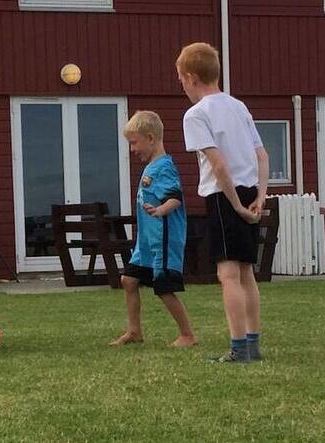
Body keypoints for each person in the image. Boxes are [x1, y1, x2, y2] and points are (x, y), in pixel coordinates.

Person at [177, 42, 270, 363]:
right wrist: (259, 197)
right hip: (249, 191)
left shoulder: (196, 114)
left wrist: (237, 206)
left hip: (223, 196)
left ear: (190, 78)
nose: (183, 87)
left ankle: (238, 347)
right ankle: (253, 345)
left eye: (181, 81)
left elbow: (218, 166)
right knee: (247, 273)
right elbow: (262, 155)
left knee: (228, 274)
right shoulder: (239, 106)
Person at [110, 110, 197, 349]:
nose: (132, 149)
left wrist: (161, 211)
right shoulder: (151, 167)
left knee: (163, 287)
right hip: (146, 241)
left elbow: (175, 198)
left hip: (163, 239)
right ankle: (134, 331)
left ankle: (188, 335)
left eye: (134, 142)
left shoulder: (164, 168)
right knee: (129, 280)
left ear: (150, 138)